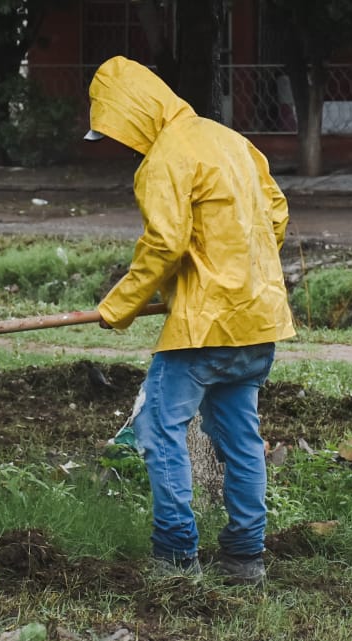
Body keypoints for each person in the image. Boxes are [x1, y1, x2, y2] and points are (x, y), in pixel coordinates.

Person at [85, 56, 295, 585]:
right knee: (242, 440)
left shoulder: (165, 158)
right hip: (259, 321)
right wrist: (241, 272)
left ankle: (176, 557)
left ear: (133, 114)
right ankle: (246, 558)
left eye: (117, 129)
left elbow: (165, 243)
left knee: (160, 429)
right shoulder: (229, 139)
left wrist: (119, 305)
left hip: (204, 331)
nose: (122, 143)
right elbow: (277, 212)